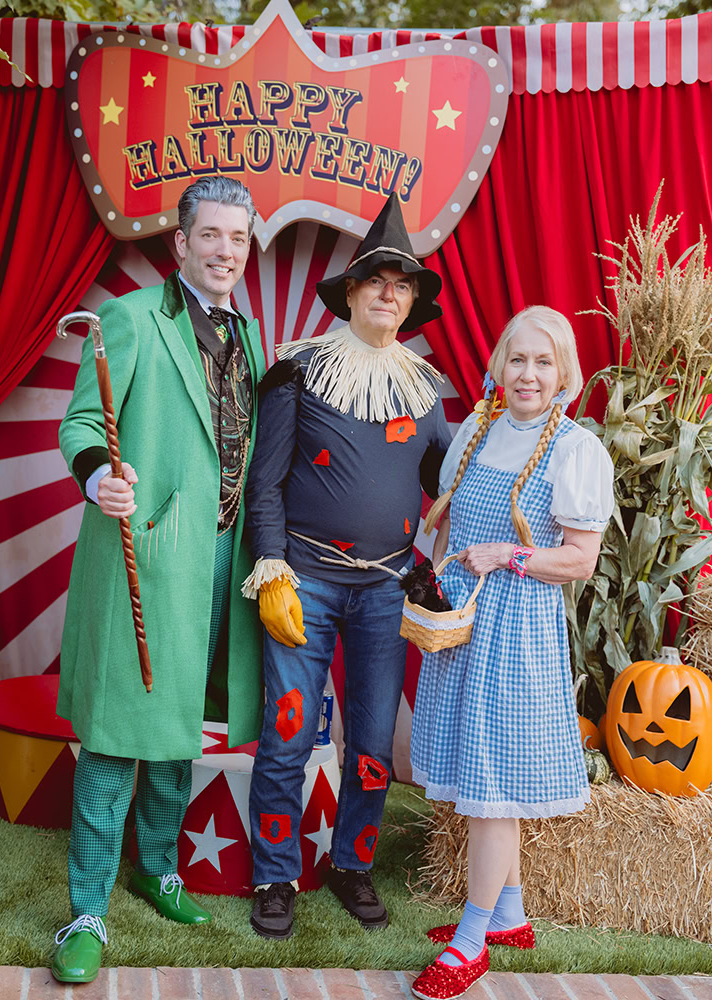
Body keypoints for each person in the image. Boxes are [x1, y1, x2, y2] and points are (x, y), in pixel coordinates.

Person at [52, 177, 265, 984]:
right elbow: (81, 421)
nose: (223, 251)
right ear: (181, 244)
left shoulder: (248, 336)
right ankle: (86, 910)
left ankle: (157, 867)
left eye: (237, 239)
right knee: (117, 735)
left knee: (178, 726)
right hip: (146, 550)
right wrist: (100, 472)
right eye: (210, 236)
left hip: (220, 556)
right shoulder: (132, 317)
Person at [242, 193, 452, 939]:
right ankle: (275, 873)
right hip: (305, 578)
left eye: (403, 283)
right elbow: (263, 481)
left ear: (411, 302)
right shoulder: (298, 372)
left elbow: (449, 489)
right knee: (289, 734)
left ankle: (351, 863)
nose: (389, 292)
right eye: (377, 279)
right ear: (354, 291)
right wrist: (270, 567)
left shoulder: (426, 393)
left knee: (370, 743)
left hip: (383, 593)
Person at [409, 306, 614, 1000]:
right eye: (517, 360)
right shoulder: (476, 429)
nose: (528, 375)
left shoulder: (575, 449)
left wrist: (509, 555)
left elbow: (581, 561)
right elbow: (453, 524)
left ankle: (470, 943)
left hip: (518, 628)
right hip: (465, 622)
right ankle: (509, 914)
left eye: (544, 362)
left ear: (565, 375)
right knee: (480, 764)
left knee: (492, 785)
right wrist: (439, 579)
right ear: (498, 364)